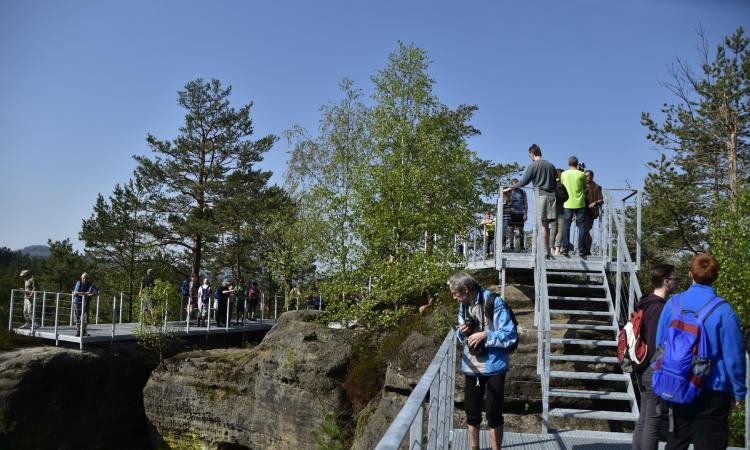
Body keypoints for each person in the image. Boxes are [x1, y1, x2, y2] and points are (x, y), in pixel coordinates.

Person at [654, 254, 746, 450]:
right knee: (710, 444)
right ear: (716, 277)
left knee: (676, 443)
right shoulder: (724, 311)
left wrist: (661, 374)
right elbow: (735, 357)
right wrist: (738, 391)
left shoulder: (673, 304)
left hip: (676, 383)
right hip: (712, 390)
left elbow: (660, 343)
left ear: (690, 274)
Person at [449, 271, 517, 450]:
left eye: (455, 294)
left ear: (465, 289)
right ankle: (474, 448)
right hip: (473, 367)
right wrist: (462, 332)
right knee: (472, 412)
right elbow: (461, 336)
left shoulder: (494, 302)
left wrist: (485, 335)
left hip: (494, 366)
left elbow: (510, 335)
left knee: (494, 415)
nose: (454, 298)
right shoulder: (464, 305)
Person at [632, 264, 678, 450]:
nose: (677, 283)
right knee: (653, 420)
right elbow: (655, 344)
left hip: (642, 367)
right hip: (653, 368)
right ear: (666, 281)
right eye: (675, 279)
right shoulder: (659, 309)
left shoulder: (645, 302)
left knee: (644, 418)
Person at [504, 144, 557, 257]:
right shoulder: (551, 165)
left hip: (540, 196)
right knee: (548, 225)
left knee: (541, 225)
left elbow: (523, 182)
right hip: (552, 197)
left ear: (533, 154)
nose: (530, 157)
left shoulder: (534, 165)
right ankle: (549, 249)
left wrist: (509, 188)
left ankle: (544, 250)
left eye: (530, 156)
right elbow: (555, 181)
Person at [560, 156, 587, 257]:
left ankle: (565, 249)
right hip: (580, 203)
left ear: (568, 163)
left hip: (567, 203)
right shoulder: (582, 174)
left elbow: (562, 186)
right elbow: (585, 187)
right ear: (577, 163)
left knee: (566, 226)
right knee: (581, 227)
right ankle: (581, 249)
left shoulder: (563, 174)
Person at [583, 170, 603, 256]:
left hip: (590, 212)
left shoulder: (597, 187)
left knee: (586, 230)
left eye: (588, 176)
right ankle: (583, 248)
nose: (587, 178)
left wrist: (595, 203)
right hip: (581, 211)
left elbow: (601, 200)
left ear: (592, 176)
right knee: (582, 230)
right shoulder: (582, 186)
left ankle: (587, 249)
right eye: (585, 176)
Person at [72, 272, 98, 337]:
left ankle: (83, 331)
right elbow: (75, 293)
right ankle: (78, 331)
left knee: (86, 317)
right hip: (77, 302)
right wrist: (86, 293)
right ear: (81, 278)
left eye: (86, 278)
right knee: (77, 317)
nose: (85, 279)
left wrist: (92, 294)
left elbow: (97, 292)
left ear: (88, 279)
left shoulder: (90, 284)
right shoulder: (79, 283)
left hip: (86, 302)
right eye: (83, 278)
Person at [548, 169, 568, 255]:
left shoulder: (550, 185)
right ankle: (557, 249)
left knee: (553, 229)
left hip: (552, 209)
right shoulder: (562, 185)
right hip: (561, 209)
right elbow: (567, 197)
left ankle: (551, 249)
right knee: (560, 230)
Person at [506, 179, 528, 252]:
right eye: (514, 184)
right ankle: (511, 245)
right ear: (512, 184)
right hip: (511, 213)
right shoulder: (509, 192)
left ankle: (522, 245)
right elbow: (505, 201)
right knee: (511, 230)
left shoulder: (522, 192)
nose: (516, 185)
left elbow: (525, 203)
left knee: (521, 230)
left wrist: (526, 214)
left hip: (520, 213)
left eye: (517, 184)